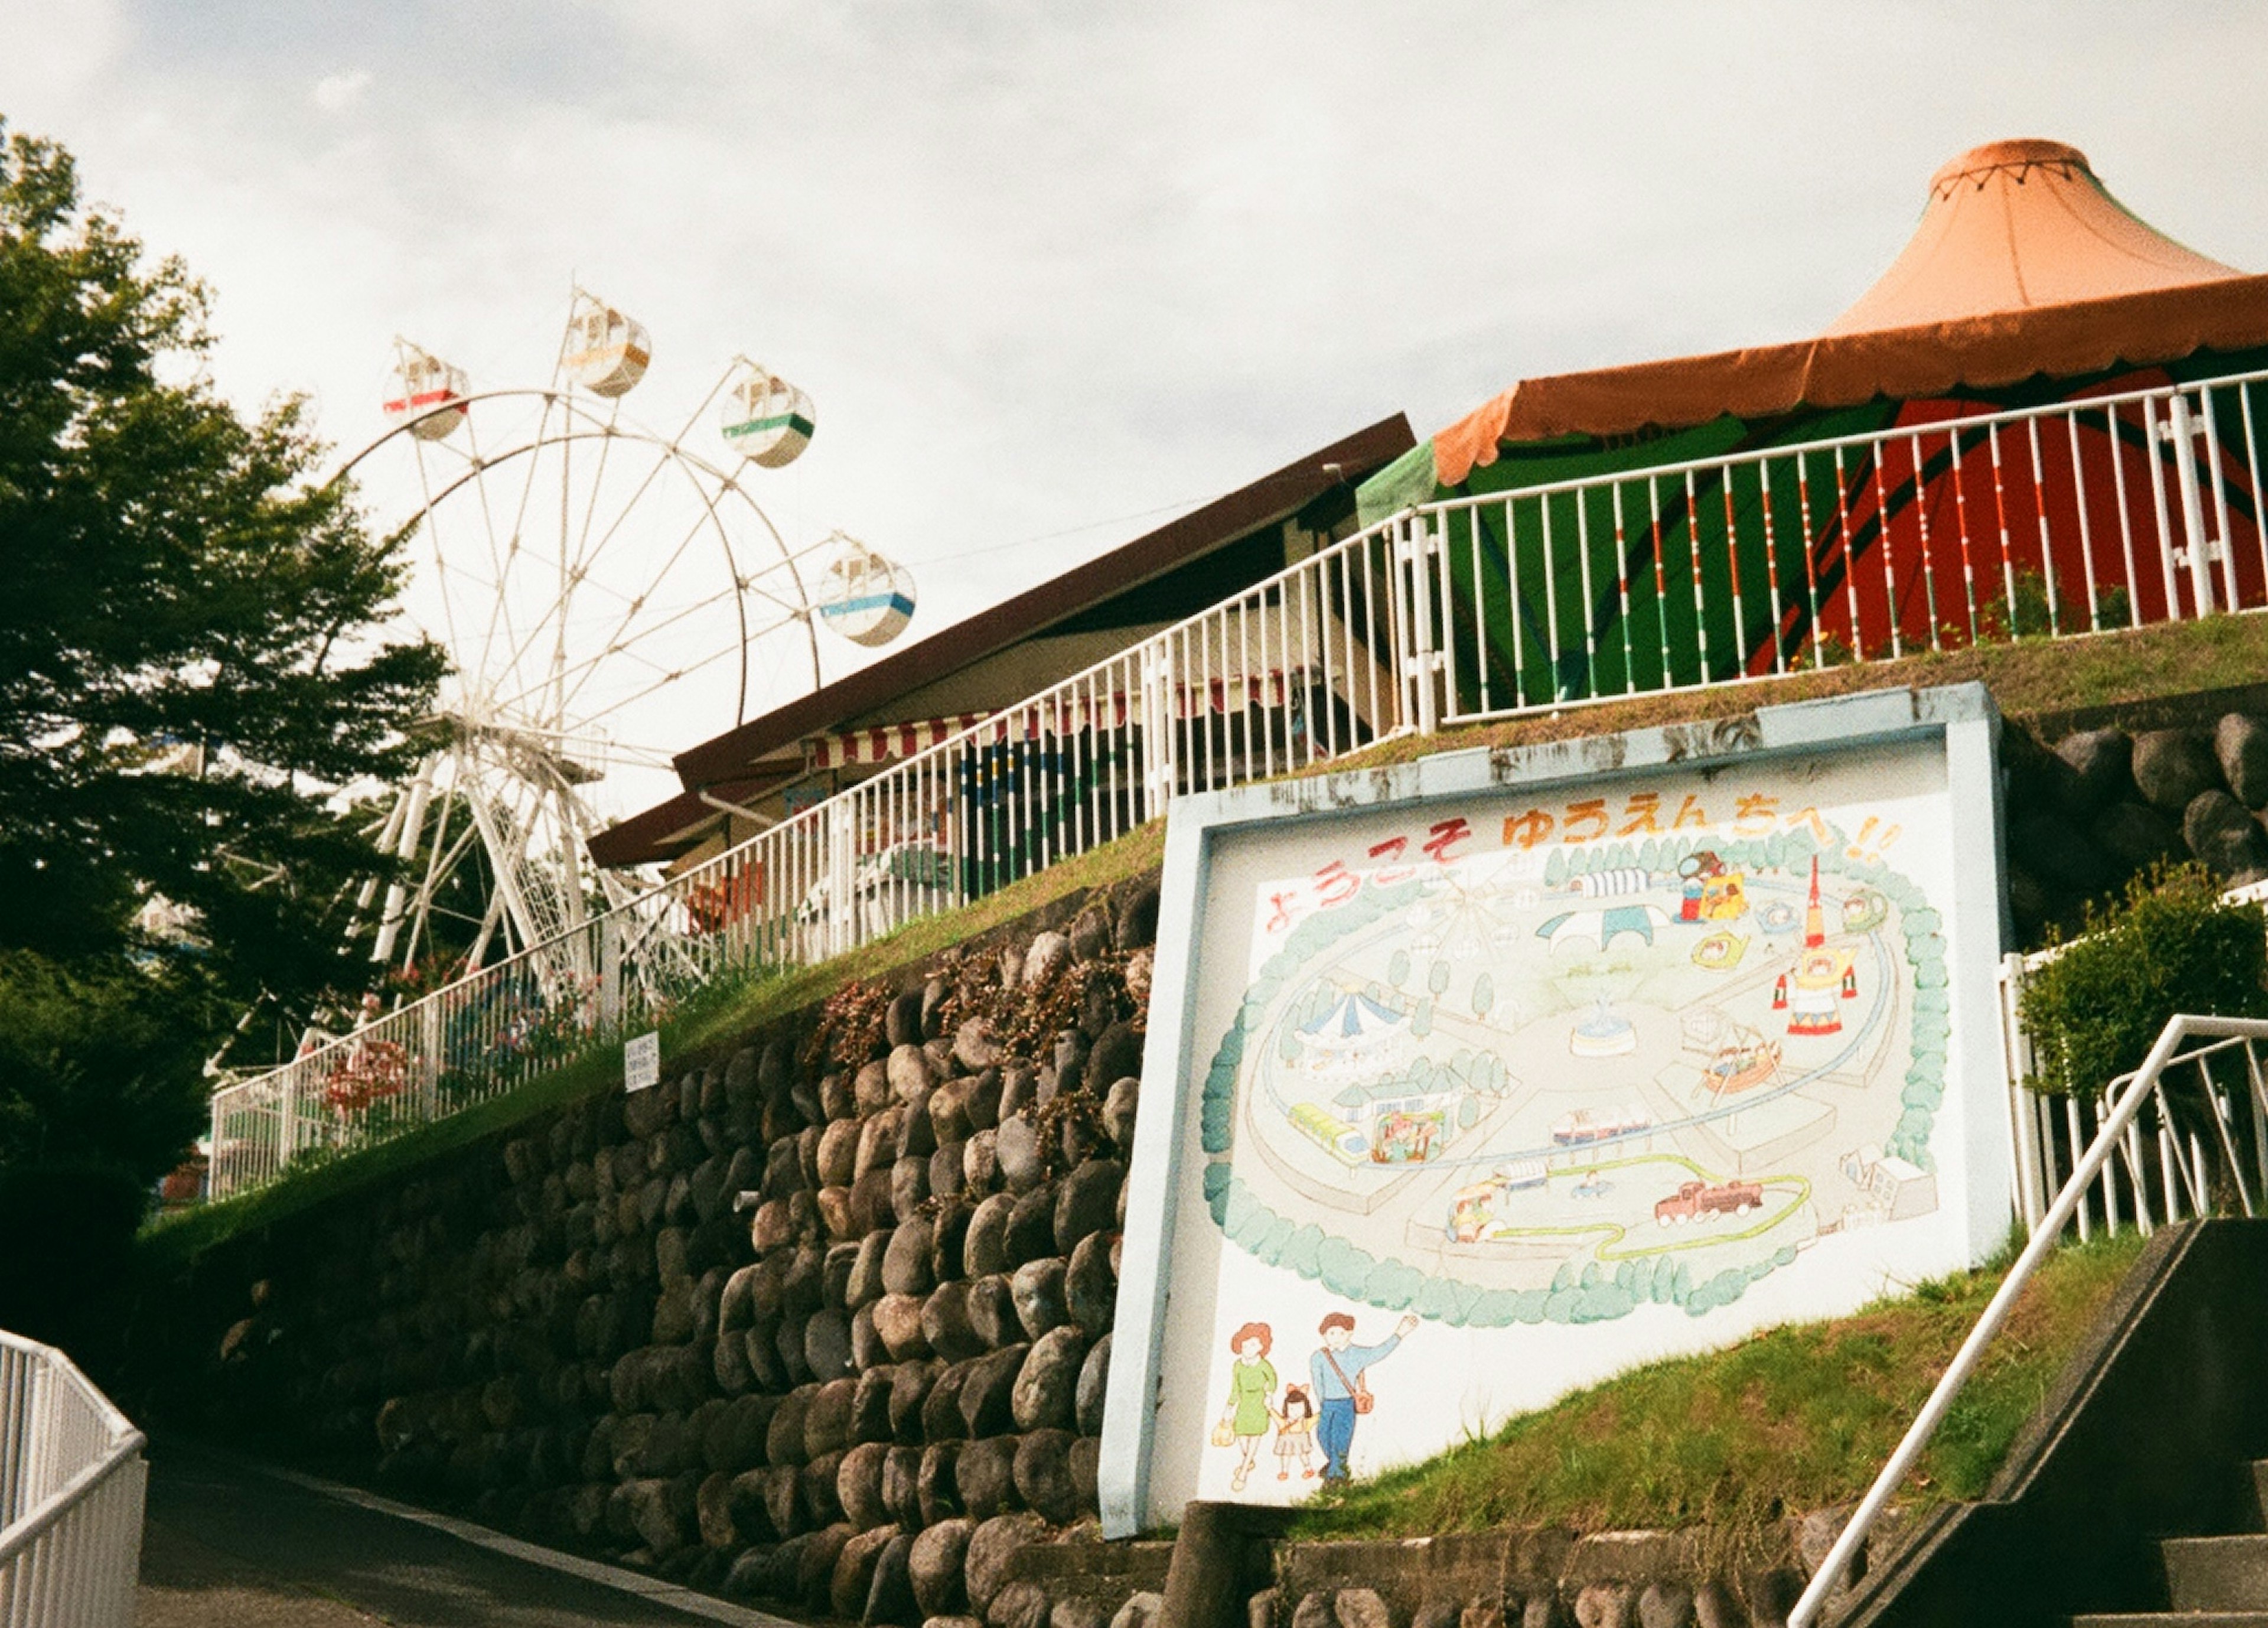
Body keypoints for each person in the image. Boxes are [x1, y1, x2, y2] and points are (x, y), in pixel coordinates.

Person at [1308, 1310, 1419, 1482]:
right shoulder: (1318, 1357)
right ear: (1324, 1335)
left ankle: (1336, 1477)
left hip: (1346, 1404)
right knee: (1323, 1436)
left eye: (1341, 1333)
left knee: (1340, 1439)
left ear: (1350, 1334)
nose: (1336, 1337)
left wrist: (1400, 1333)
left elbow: (1380, 1351)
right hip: (1327, 1404)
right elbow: (1317, 1382)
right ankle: (1336, 1465)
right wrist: (1322, 1402)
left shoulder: (1357, 1354)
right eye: (1331, 1333)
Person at [1217, 1321, 1277, 1492]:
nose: (1248, 1348)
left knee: (1255, 1434)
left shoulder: (1264, 1365)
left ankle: (1243, 1473)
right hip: (1244, 1403)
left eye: (1253, 1344)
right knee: (1241, 1433)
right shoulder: (1238, 1365)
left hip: (1259, 1402)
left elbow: (1272, 1380)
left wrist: (1269, 1395)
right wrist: (1229, 1406)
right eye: (1245, 1344)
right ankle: (1248, 1460)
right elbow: (1235, 1387)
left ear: (1261, 1346)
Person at [1273, 1384, 1318, 1480]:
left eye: (1299, 1409)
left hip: (1301, 1440)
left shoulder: (1305, 1422)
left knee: (1303, 1455)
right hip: (1287, 1440)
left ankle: (1309, 1469)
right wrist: (1269, 1408)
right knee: (1285, 1455)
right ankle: (1284, 1471)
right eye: (1292, 1409)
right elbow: (1276, 1417)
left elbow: (1316, 1418)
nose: (1295, 1412)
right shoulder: (1285, 1422)